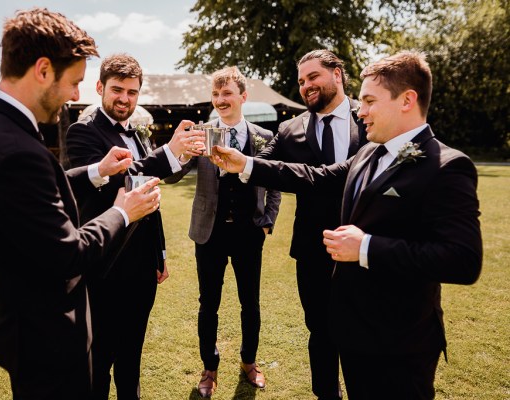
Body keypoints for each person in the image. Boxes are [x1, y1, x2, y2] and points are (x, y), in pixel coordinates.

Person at [211, 51, 482, 399]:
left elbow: (463, 260)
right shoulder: (371, 152)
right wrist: (246, 164)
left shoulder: (447, 166)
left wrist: (366, 247)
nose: (362, 110)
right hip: (355, 325)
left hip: (401, 339)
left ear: (407, 100)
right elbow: (317, 177)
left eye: (369, 101)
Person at [0, 8, 161, 399]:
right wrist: (123, 211)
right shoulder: (16, 149)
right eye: (75, 82)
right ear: (43, 69)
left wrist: (96, 171)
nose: (76, 95)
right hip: (46, 338)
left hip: (16, 327)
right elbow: (68, 254)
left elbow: (34, 194)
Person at [65, 53, 205, 400]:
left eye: (132, 91)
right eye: (117, 90)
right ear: (100, 88)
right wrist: (168, 152)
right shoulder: (82, 132)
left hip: (142, 269)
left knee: (131, 359)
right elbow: (124, 179)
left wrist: (159, 253)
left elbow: (151, 194)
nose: (124, 98)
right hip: (104, 267)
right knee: (98, 363)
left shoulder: (138, 135)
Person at [164, 66, 281, 398]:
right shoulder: (200, 133)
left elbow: (274, 184)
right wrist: (181, 149)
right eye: (215, 94)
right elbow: (172, 177)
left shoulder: (263, 137)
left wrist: (268, 220)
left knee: (250, 303)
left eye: (227, 93)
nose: (220, 100)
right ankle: (210, 368)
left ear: (243, 96)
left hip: (249, 234)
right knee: (208, 304)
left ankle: (249, 362)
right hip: (209, 233)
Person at [257, 49, 367, 400]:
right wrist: (227, 152)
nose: (305, 86)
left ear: (337, 75)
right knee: (319, 330)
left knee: (363, 329)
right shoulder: (290, 129)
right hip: (312, 248)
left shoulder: (369, 116)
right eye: (301, 81)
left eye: (313, 77)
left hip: (365, 245)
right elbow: (261, 164)